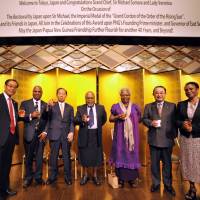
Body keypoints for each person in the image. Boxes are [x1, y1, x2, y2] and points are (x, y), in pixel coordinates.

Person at [143, 86, 177, 196]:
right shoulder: (149, 106)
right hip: (154, 140)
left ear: (165, 94)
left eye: (161, 93)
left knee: (167, 164)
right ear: (153, 94)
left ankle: (168, 185)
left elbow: (175, 122)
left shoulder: (172, 106)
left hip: (167, 140)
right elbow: (144, 119)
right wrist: (150, 123)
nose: (159, 95)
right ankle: (156, 184)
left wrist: (174, 137)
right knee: (154, 165)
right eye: (157, 93)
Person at [109, 88, 141, 188]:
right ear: (120, 96)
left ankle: (132, 179)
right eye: (123, 95)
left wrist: (130, 125)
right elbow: (110, 119)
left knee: (132, 155)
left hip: (133, 138)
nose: (125, 97)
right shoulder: (116, 106)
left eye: (127, 95)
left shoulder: (135, 107)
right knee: (120, 154)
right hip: (120, 137)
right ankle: (121, 179)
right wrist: (118, 116)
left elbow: (139, 119)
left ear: (130, 95)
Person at [74, 91, 107, 186]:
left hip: (96, 134)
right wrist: (82, 120)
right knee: (84, 155)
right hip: (85, 134)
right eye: (88, 98)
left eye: (91, 98)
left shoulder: (101, 108)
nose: (89, 100)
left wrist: (97, 126)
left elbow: (103, 119)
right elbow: (75, 120)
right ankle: (85, 175)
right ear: (85, 99)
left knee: (96, 156)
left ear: (94, 98)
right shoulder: (80, 108)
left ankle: (95, 175)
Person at [20, 86, 48, 188]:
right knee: (29, 158)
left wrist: (45, 131)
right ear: (32, 92)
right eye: (35, 91)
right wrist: (31, 115)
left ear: (42, 93)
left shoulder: (45, 105)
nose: (37, 93)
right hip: (29, 134)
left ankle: (38, 177)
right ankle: (28, 177)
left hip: (41, 136)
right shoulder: (24, 103)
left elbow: (48, 120)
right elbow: (20, 116)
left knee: (39, 158)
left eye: (39, 91)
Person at [0, 79, 23, 199]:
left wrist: (29, 116)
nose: (12, 89)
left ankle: (5, 188)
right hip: (1, 138)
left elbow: (15, 118)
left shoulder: (14, 103)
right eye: (10, 86)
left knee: (6, 165)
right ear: (5, 86)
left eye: (14, 87)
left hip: (11, 137)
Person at [45, 88, 74, 185]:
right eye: (59, 93)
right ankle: (52, 177)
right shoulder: (52, 105)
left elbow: (71, 122)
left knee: (66, 157)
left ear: (66, 95)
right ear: (57, 95)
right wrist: (48, 107)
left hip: (66, 136)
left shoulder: (70, 107)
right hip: (54, 134)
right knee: (53, 157)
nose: (61, 95)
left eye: (63, 94)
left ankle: (68, 177)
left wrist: (71, 132)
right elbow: (46, 117)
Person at [177, 82, 200, 200]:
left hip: (198, 138)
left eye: (191, 89)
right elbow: (176, 120)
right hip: (186, 139)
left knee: (198, 163)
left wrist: (194, 128)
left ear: (197, 89)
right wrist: (183, 124)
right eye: (186, 90)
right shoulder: (181, 104)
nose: (188, 91)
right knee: (189, 163)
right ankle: (192, 188)